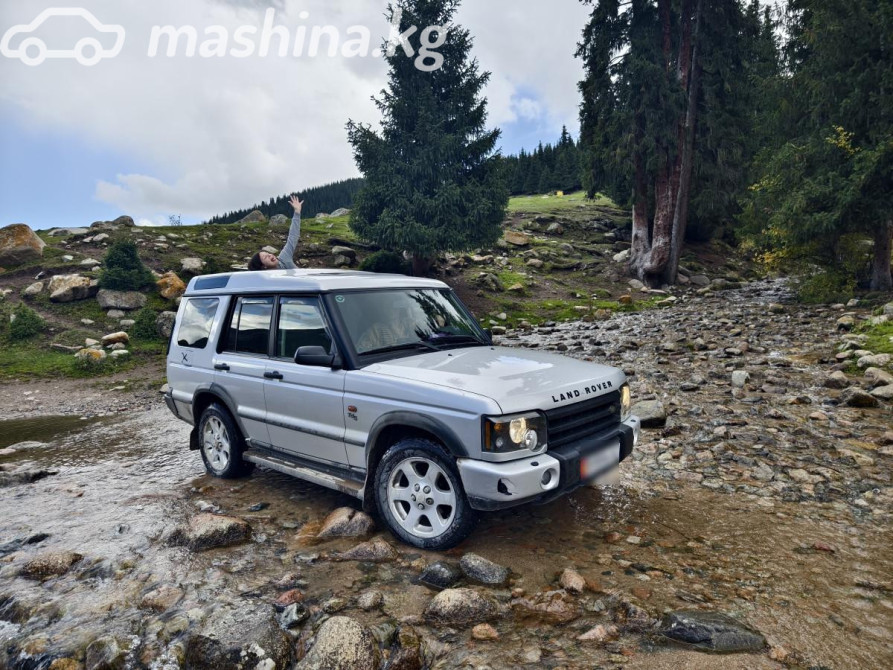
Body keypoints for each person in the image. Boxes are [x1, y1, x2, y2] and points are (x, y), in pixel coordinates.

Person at [247, 195, 304, 270]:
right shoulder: (267, 280)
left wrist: (297, 213)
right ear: (263, 267)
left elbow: (293, 237)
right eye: (266, 257)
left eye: (268, 254)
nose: (270, 255)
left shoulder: (284, 258)